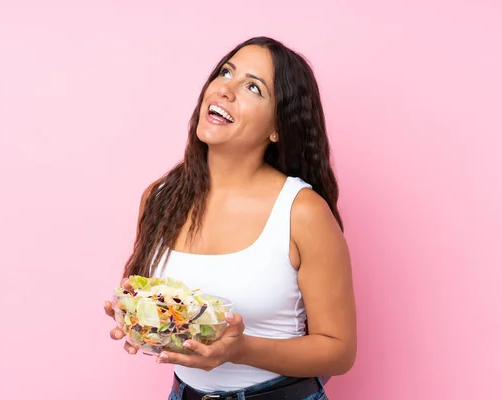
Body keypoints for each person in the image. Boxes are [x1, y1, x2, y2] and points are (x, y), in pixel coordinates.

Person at [104, 36, 357, 400]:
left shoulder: (301, 211)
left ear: (278, 128)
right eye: (226, 72)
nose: (226, 89)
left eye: (253, 87)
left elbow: (339, 351)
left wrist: (239, 349)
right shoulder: (160, 198)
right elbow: (160, 300)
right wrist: (136, 316)